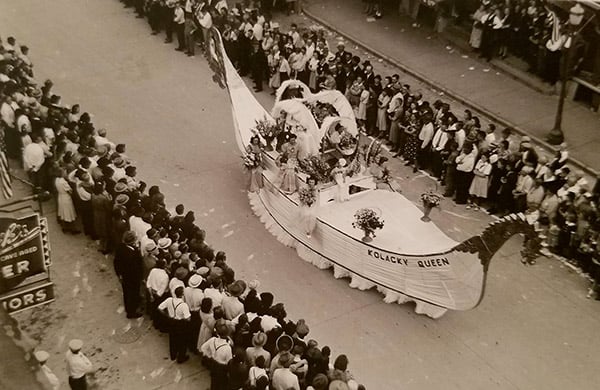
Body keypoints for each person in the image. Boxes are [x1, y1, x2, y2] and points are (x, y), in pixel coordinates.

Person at [114, 230, 143, 318]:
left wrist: (119, 274)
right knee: (131, 293)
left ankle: (134, 304)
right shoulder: (132, 255)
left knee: (128, 292)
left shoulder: (120, 247)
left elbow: (116, 262)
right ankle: (131, 312)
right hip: (132, 278)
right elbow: (136, 268)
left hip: (124, 275)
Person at [158, 286, 192, 363]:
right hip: (180, 323)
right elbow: (188, 318)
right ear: (182, 295)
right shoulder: (184, 305)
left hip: (171, 321)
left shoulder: (169, 300)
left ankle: (173, 355)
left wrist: (167, 315)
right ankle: (181, 357)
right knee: (182, 340)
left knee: (172, 338)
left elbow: (160, 308)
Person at [200, 321, 233, 390]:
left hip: (213, 363)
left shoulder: (212, 340)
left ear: (217, 333)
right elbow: (229, 361)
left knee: (213, 379)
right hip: (222, 367)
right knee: (221, 383)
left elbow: (203, 348)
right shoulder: (227, 347)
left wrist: (210, 355)